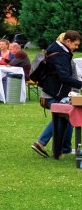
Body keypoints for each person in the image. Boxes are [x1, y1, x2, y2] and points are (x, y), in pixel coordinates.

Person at [31, 30, 82, 158]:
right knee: (61, 117)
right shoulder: (61, 54)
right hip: (54, 93)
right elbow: (64, 77)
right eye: (75, 45)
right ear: (68, 41)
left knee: (64, 117)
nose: (76, 48)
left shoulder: (56, 50)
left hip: (52, 91)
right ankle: (43, 143)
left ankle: (60, 150)